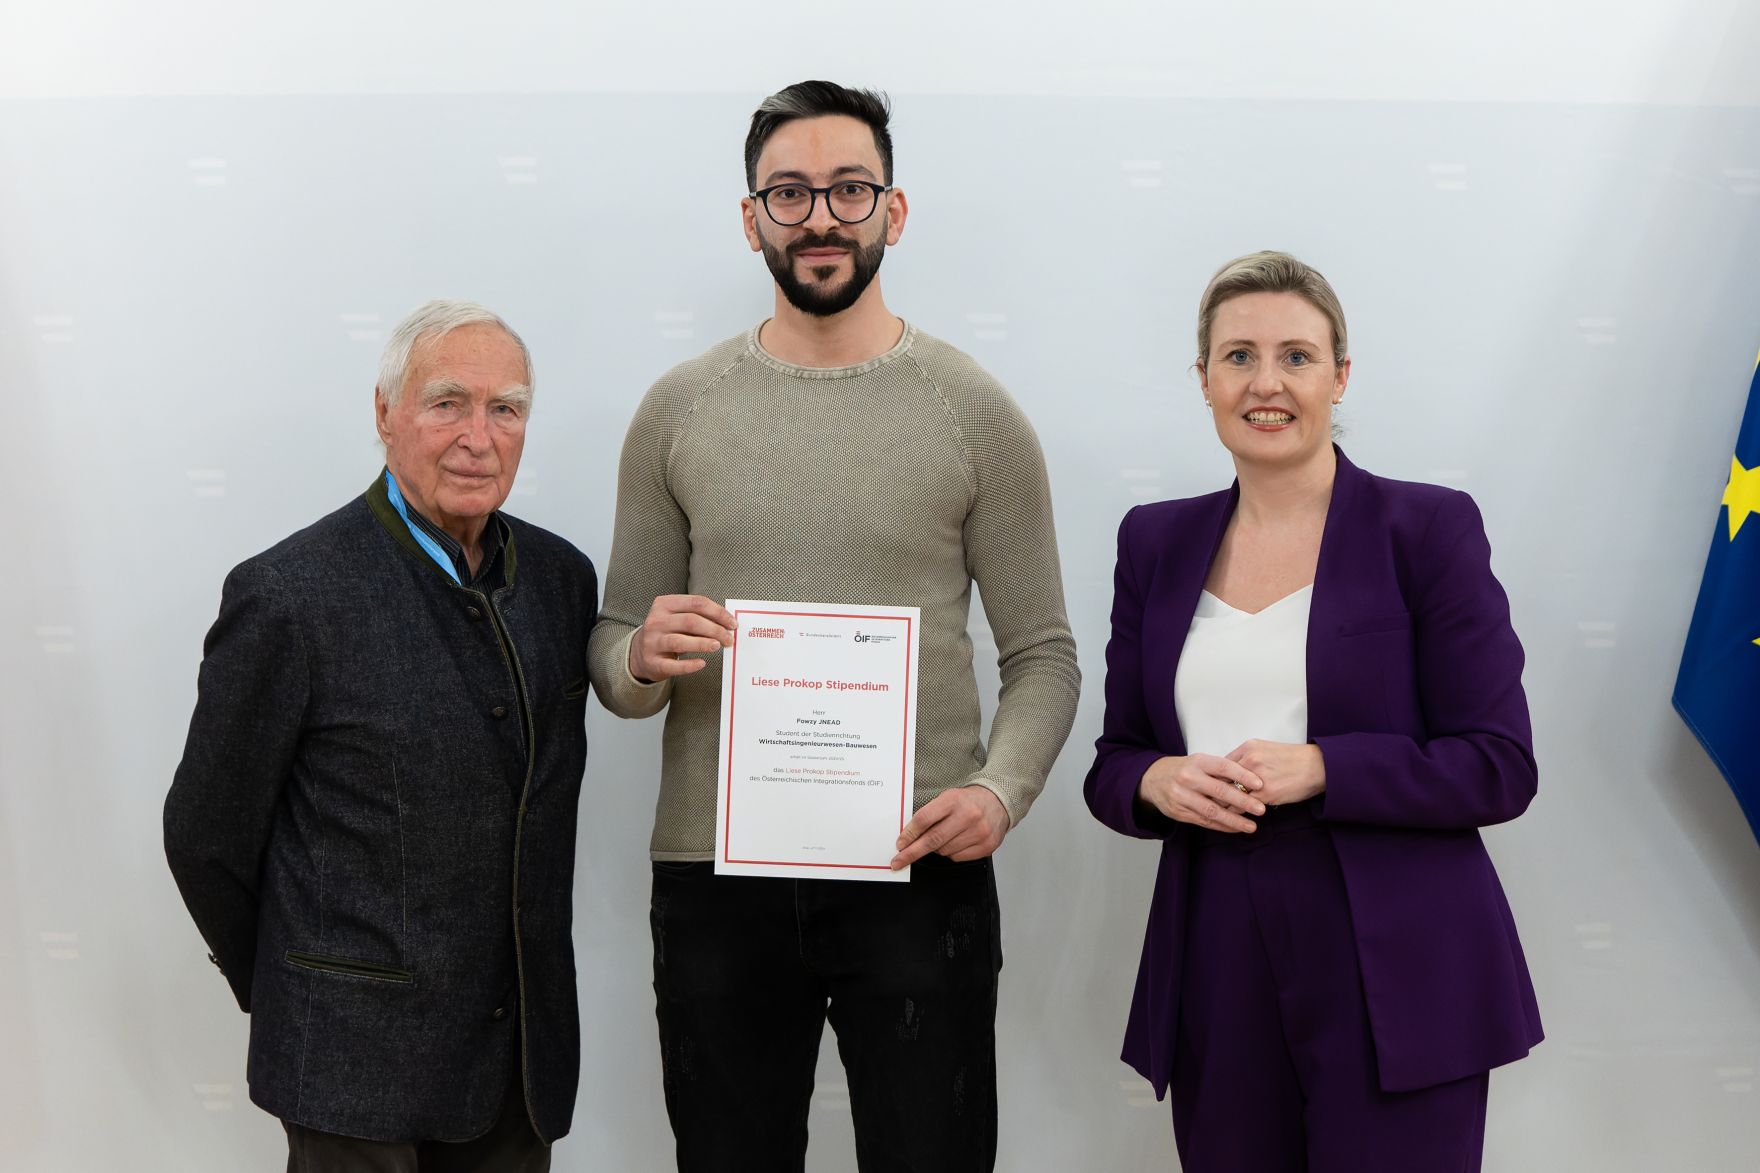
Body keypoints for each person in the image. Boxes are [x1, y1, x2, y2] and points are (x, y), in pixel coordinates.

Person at [587, 80, 1080, 1172]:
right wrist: (636, 656)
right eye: (790, 193)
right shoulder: (677, 409)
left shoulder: (972, 411)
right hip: (715, 873)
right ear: (750, 217)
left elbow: (1041, 655)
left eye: (849, 190)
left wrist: (997, 793)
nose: (820, 217)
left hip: (917, 865)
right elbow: (616, 648)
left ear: (892, 212)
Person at [1085, 251, 1542, 1171]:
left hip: (1399, 959)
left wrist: (1327, 765)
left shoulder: (1429, 527)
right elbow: (1114, 763)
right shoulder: (1155, 540)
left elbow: (1499, 763)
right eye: (1238, 356)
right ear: (1205, 380)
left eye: (1296, 356)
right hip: (1216, 946)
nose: (1267, 382)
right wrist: (1158, 780)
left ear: (1340, 376)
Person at [163, 300, 597, 1171]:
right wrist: (299, 985)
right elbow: (206, 834)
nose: (480, 435)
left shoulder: (561, 579)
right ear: (384, 414)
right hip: (350, 1075)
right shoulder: (289, 593)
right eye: (447, 402)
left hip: (518, 1070)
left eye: (505, 408)